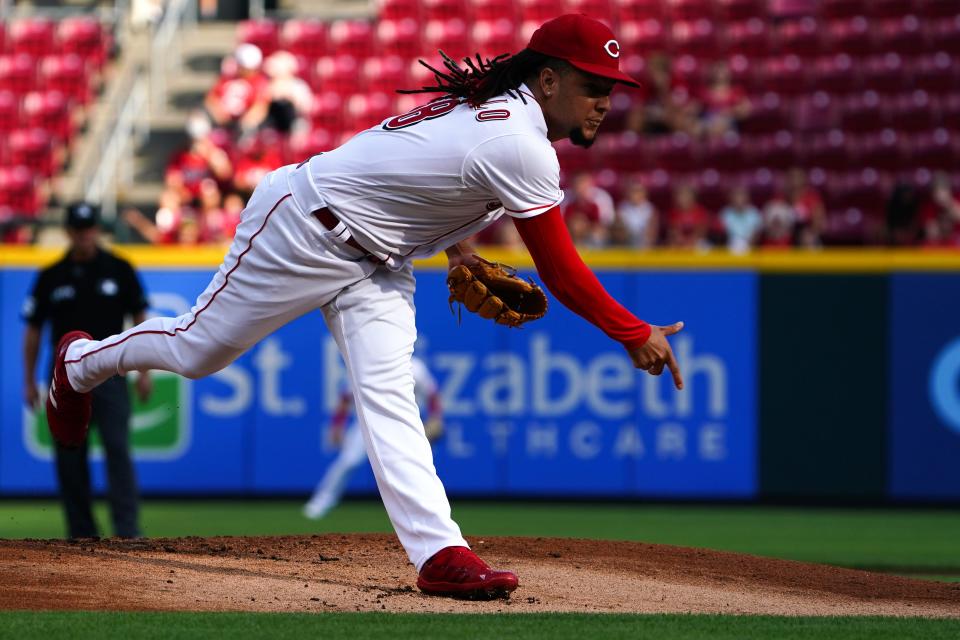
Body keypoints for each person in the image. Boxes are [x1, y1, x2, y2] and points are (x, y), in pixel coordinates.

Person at [44, 15, 684, 600]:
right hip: (302, 227)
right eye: (593, 84)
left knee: (390, 393)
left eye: (612, 86)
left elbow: (417, 174)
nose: (605, 100)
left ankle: (439, 552)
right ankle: (78, 362)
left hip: (378, 261)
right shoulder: (520, 142)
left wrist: (457, 250)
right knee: (196, 350)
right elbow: (561, 272)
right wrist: (632, 332)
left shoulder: (503, 114)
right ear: (548, 79)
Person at [22, 203, 152, 539]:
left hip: (110, 375)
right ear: (69, 232)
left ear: (96, 229)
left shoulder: (119, 268)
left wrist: (145, 370)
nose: (84, 234)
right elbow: (33, 331)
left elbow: (141, 321)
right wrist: (28, 380)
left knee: (118, 450)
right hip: (65, 380)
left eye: (89, 228)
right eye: (78, 229)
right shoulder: (51, 275)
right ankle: (81, 534)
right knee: (69, 453)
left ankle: (127, 532)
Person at [304, 355, 443, 520]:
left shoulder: (415, 367)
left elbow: (432, 394)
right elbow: (345, 398)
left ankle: (426, 507)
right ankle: (321, 502)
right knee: (349, 461)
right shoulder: (369, 363)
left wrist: (436, 418)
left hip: (403, 425)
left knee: (416, 465)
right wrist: (337, 426)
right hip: (368, 423)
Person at [720, 186, 762, 253]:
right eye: (736, 197)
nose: (739, 199)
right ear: (731, 198)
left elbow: (757, 233)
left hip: (750, 246)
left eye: (741, 196)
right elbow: (722, 234)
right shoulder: (725, 213)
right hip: (729, 247)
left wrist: (749, 243)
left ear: (747, 198)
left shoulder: (754, 213)